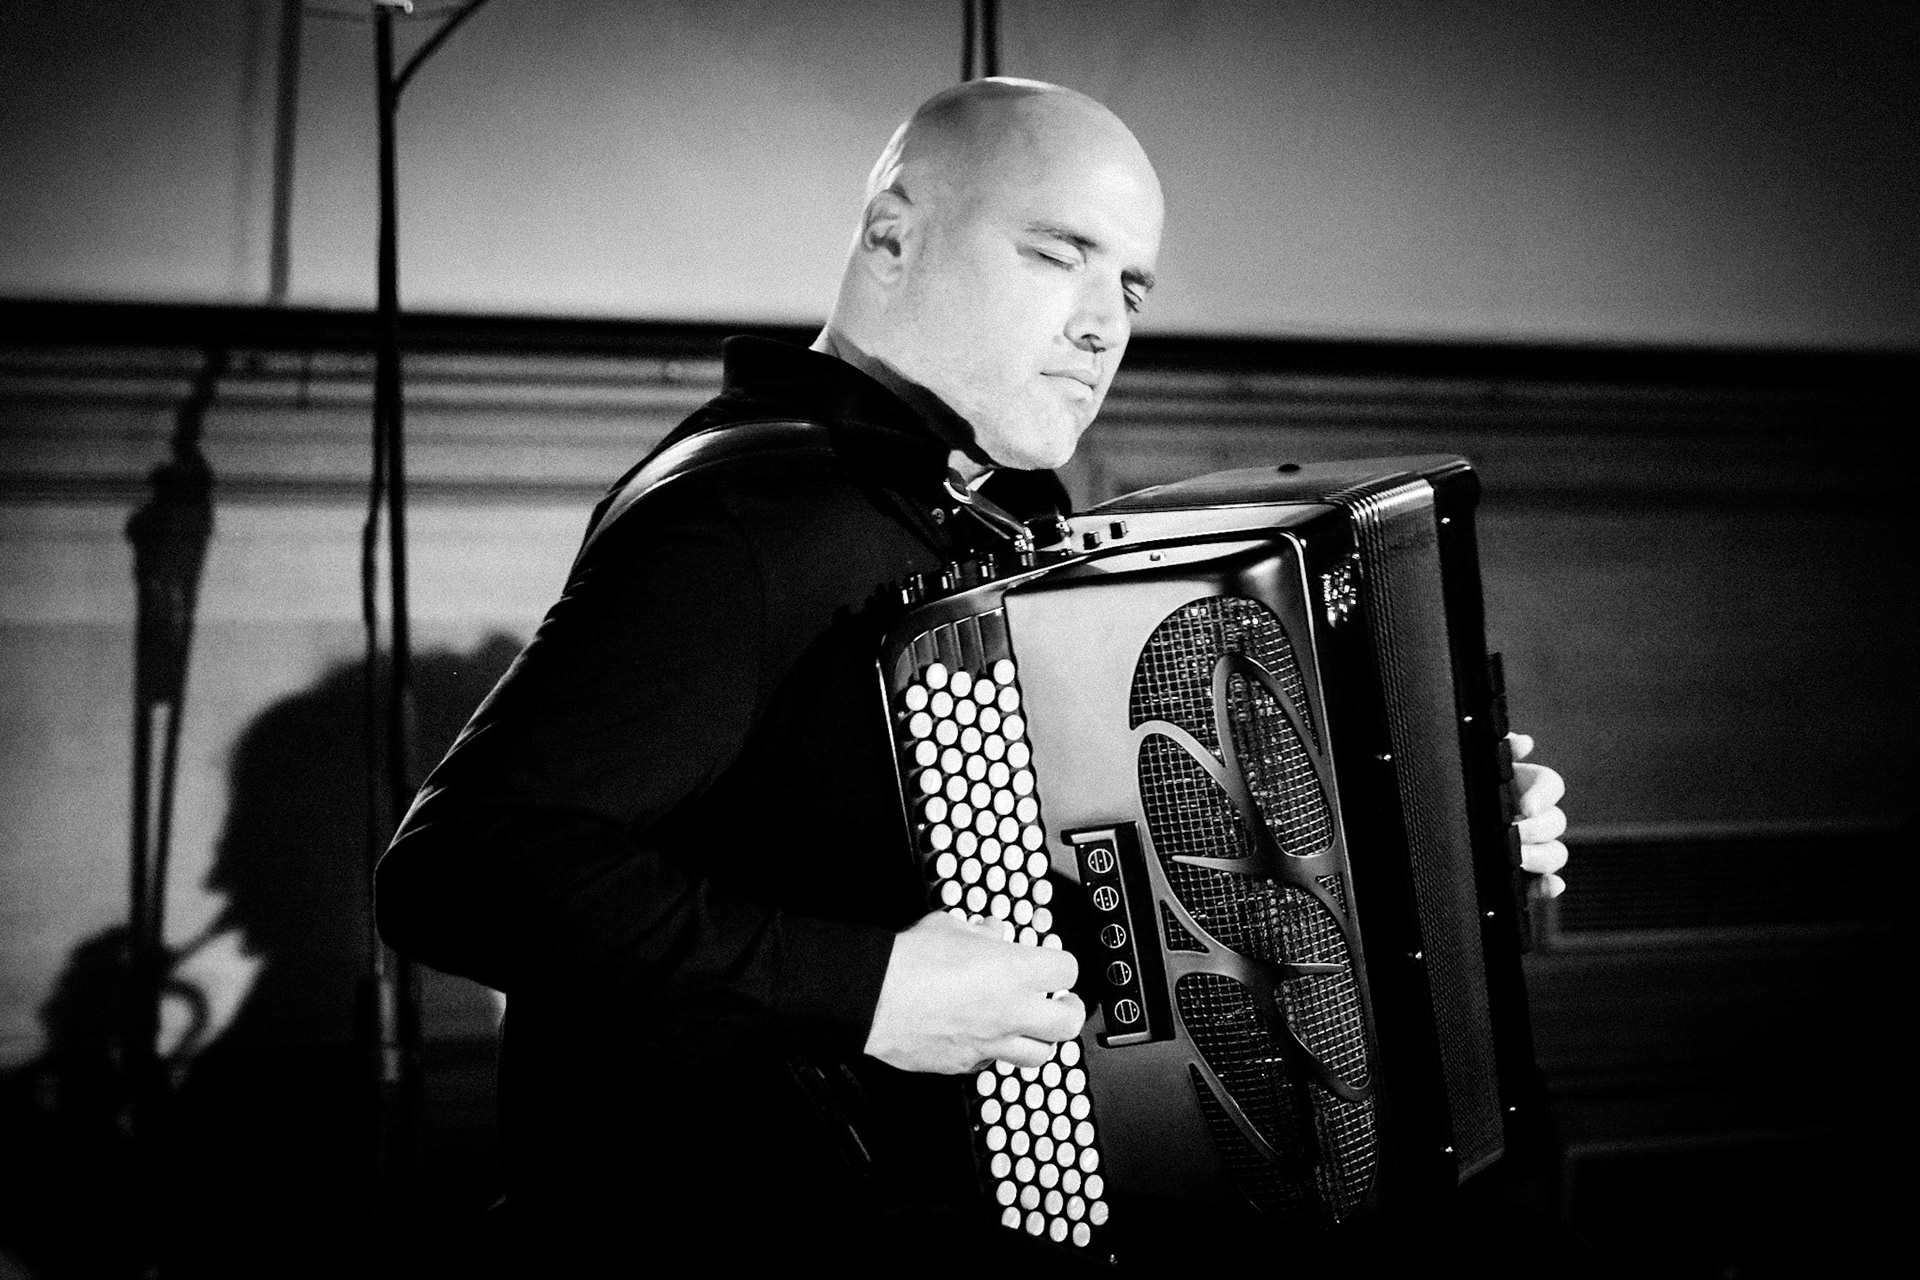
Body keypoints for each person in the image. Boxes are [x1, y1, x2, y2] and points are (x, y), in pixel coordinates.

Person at [375, 77, 1569, 1268]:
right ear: (893, 234)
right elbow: (458, 866)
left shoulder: (993, 521)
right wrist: (877, 990)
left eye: (1130, 288)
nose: (1103, 326)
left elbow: (1129, 875)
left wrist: (1439, 846)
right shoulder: (749, 521)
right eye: (1057, 255)